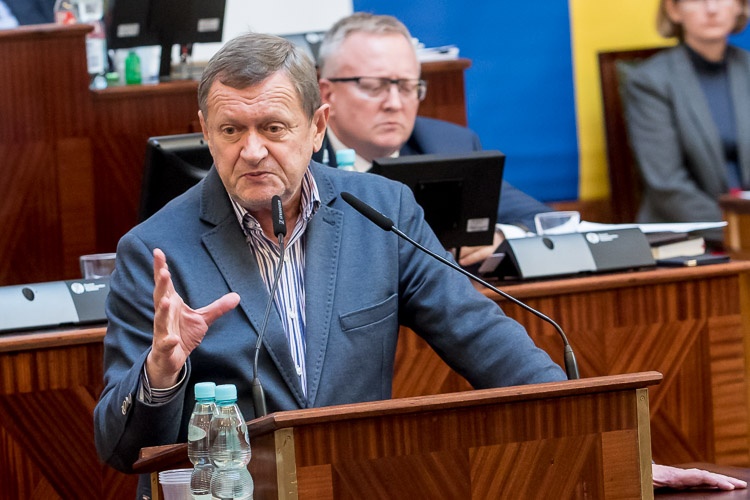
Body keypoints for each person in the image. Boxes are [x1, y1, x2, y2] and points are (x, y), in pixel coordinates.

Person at [93, 31, 568, 499]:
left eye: (273, 128)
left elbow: (479, 333)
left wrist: (577, 410)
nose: (252, 151)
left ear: (317, 126)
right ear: (206, 131)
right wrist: (160, 372)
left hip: (358, 483)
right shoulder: (155, 251)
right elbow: (119, 448)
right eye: (231, 130)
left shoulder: (382, 213)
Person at [314, 12, 553, 266]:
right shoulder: (300, 158)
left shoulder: (448, 147)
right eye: (374, 86)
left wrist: (501, 236)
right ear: (328, 94)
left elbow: (542, 220)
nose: (395, 103)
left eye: (407, 86)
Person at [624, 0, 750, 232]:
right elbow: (667, 186)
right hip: (685, 235)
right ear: (673, 9)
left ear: (740, 6)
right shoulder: (650, 81)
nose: (712, 9)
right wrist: (738, 230)